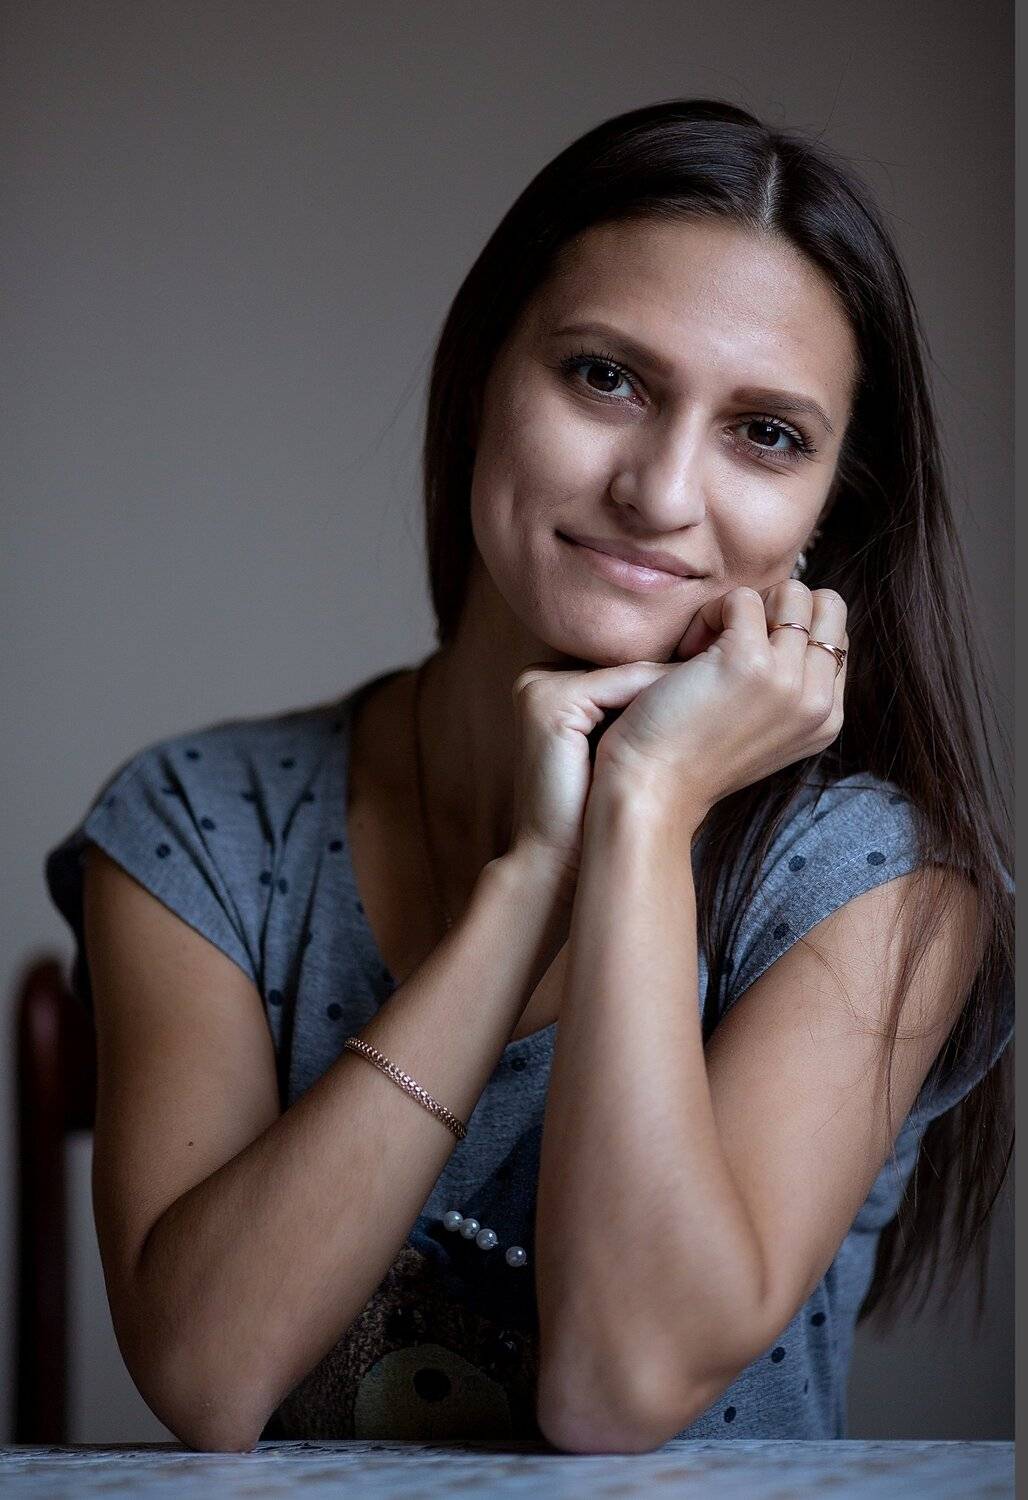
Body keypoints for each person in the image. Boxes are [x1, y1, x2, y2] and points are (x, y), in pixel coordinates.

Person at [44, 98, 1014, 1453]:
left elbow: (618, 1389)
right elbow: (208, 1375)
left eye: (766, 434)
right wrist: (529, 882)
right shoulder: (204, 822)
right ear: (483, 381)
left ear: (826, 514)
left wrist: (648, 808)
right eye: (605, 377)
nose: (661, 493)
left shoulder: (872, 884)